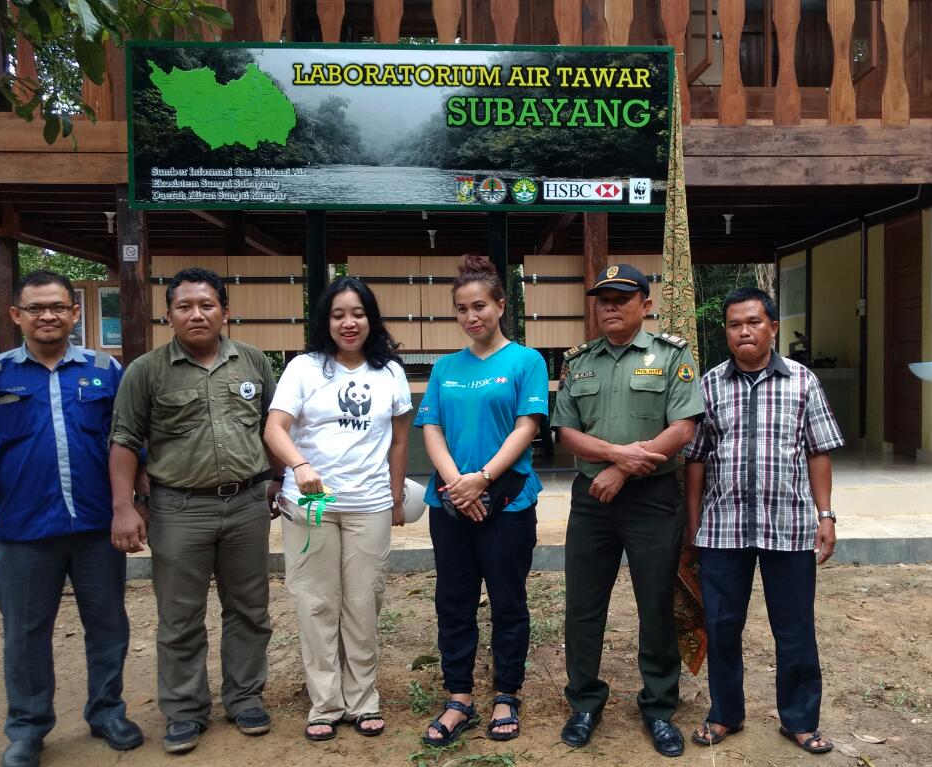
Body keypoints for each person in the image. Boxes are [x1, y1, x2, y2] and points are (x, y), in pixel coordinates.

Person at [0, 270, 141, 767]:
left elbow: (128, 443)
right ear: (17, 315)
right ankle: (28, 728)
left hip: (96, 529)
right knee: (25, 635)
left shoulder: (105, 371)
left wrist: (132, 506)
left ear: (75, 313)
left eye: (58, 307)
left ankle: (107, 712)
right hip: (25, 533)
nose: (48, 316)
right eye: (36, 308)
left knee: (108, 626)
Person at [108, 267, 280, 755]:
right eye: (184, 306)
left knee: (249, 609)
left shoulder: (253, 361)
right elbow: (124, 440)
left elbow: (273, 426)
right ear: (169, 315)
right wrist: (124, 506)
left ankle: (245, 698)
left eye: (207, 305)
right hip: (179, 508)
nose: (196, 314)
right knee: (180, 616)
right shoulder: (146, 371)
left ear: (225, 311)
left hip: (246, 505)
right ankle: (185, 710)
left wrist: (277, 480)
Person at [682, 287, 843, 754]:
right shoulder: (709, 385)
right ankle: (725, 713)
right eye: (735, 324)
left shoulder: (802, 381)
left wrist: (826, 515)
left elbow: (818, 451)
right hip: (723, 528)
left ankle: (800, 720)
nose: (744, 332)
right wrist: (693, 524)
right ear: (726, 332)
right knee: (722, 626)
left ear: (773, 327)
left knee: (795, 629)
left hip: (787, 527)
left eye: (754, 322)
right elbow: (695, 458)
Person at [551, 263, 703, 758]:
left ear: (646, 304)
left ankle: (658, 707)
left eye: (621, 297)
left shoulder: (671, 355)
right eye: (603, 299)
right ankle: (584, 702)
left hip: (652, 499)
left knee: (655, 603)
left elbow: (683, 428)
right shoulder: (579, 362)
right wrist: (616, 457)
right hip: (592, 501)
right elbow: (566, 431)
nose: (610, 306)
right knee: (583, 605)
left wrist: (621, 470)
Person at [262, 277, 413, 742]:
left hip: (369, 503)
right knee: (316, 602)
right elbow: (275, 428)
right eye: (338, 314)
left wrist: (395, 498)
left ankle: (363, 699)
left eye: (358, 313)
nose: (349, 323)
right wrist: (300, 465)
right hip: (313, 502)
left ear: (371, 319)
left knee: (364, 602)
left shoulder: (390, 372)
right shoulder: (304, 368)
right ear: (325, 321)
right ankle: (325, 703)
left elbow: (400, 440)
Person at [414, 254, 549, 746]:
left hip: (508, 503)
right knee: (454, 601)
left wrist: (484, 479)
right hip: (450, 504)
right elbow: (431, 427)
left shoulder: (526, 362)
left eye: (479, 306)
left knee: (508, 602)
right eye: (461, 309)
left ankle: (506, 694)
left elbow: (526, 427)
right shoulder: (446, 367)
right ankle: (459, 698)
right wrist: (458, 484)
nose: (471, 316)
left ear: (500, 305)